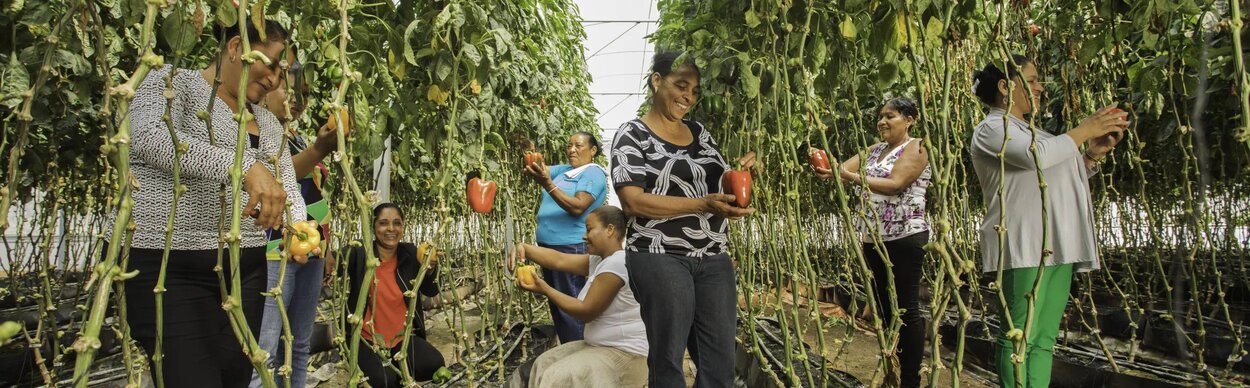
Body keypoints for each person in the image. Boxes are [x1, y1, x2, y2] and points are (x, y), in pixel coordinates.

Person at [118, 19, 303, 387]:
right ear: (235, 48)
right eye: (272, 65)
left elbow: (286, 184)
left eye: (284, 73)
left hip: (243, 270)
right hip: (168, 267)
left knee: (233, 376)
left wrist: (299, 224)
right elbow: (149, 138)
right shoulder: (170, 81)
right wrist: (242, 166)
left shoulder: (266, 122)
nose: (276, 80)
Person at [968, 55, 1127, 388]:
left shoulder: (1035, 132)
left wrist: (1091, 155)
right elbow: (1035, 159)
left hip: (1056, 246)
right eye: (1033, 79)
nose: (1041, 86)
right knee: (1018, 338)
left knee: (1042, 339)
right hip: (1023, 245)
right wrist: (1087, 128)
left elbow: (1057, 175)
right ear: (1005, 86)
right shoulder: (991, 129)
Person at [610, 51, 755, 387]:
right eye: (681, 85)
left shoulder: (700, 133)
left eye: (694, 90)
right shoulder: (632, 134)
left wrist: (743, 175)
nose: (688, 96)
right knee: (668, 357)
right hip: (659, 254)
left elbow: (720, 187)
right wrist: (702, 204)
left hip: (713, 255)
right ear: (656, 81)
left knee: (719, 357)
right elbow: (632, 201)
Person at [812, 97, 931, 388]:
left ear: (910, 119)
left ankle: (911, 379)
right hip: (873, 238)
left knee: (907, 308)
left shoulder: (917, 147)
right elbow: (840, 171)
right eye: (880, 117)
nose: (882, 122)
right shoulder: (875, 149)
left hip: (905, 236)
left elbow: (896, 183)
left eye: (890, 116)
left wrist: (849, 176)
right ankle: (895, 365)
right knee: (886, 308)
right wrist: (820, 159)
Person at [249, 50, 346, 388]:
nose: (297, 101)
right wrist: (320, 148)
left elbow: (312, 198)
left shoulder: (294, 137)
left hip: (311, 249)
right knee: (266, 349)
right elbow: (278, 177)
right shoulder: (256, 134)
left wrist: (327, 247)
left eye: (303, 95)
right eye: (289, 92)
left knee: (298, 345)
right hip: (275, 249)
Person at [511, 206, 648, 387]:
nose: (584, 236)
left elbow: (586, 312)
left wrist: (545, 289)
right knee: (542, 364)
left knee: (553, 377)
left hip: (625, 355)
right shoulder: (600, 260)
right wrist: (525, 248)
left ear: (610, 230)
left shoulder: (618, 263)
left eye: (589, 229)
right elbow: (558, 260)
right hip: (602, 346)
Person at [521, 131, 609, 343]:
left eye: (578, 146)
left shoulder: (592, 173)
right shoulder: (565, 170)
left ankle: (579, 353)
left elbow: (578, 207)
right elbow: (537, 167)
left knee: (572, 309)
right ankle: (571, 350)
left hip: (571, 248)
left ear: (593, 150)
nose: (571, 150)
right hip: (550, 249)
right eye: (569, 145)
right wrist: (528, 151)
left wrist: (548, 184)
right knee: (559, 305)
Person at [344, 203, 446, 386]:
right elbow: (335, 262)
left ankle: (392, 369)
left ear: (403, 227)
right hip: (367, 340)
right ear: (373, 227)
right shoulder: (359, 252)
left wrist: (430, 269)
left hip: (402, 338)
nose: (391, 229)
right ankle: (386, 372)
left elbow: (431, 291)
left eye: (397, 223)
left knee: (435, 363)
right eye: (383, 223)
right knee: (384, 381)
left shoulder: (410, 253)